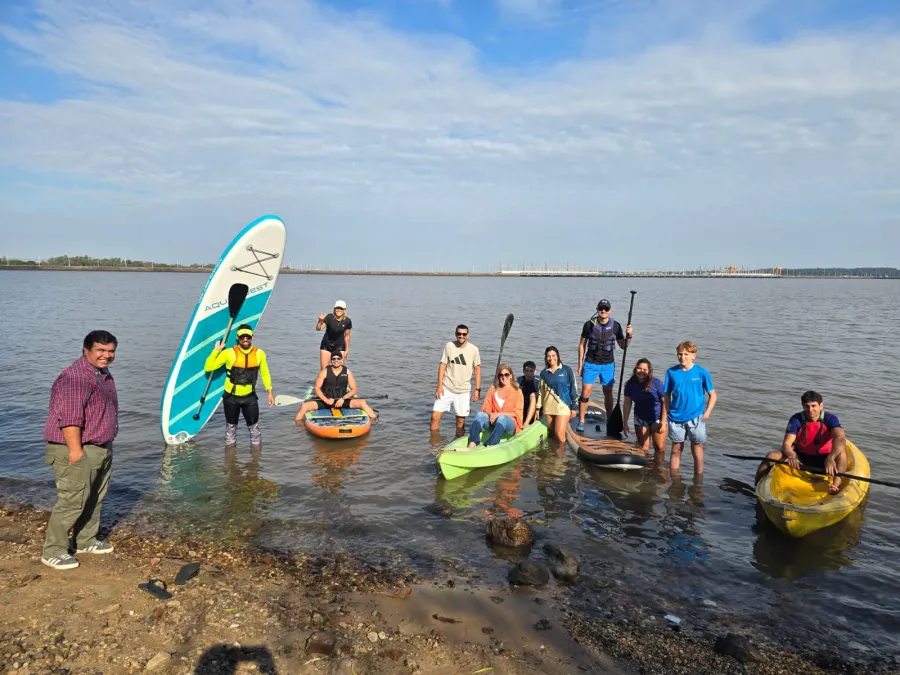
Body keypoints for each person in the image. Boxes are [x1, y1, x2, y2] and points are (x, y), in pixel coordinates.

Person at [41, 330, 119, 570]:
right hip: (74, 448)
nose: (106, 355)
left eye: (111, 351)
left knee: (94, 498)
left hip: (98, 447)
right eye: (101, 350)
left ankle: (85, 540)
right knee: (72, 501)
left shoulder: (100, 373)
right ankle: (53, 551)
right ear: (86, 350)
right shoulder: (75, 377)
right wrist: (76, 451)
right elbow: (70, 419)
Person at [756, 391, 848, 494]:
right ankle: (757, 487)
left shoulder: (830, 418)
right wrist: (791, 455)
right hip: (801, 459)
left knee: (842, 452)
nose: (810, 410)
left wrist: (830, 458)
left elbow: (840, 438)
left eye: (814, 406)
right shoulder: (796, 419)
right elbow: (787, 443)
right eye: (806, 406)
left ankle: (835, 485)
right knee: (771, 455)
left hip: (825, 459)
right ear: (803, 406)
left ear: (821, 405)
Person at [204, 324, 275, 447]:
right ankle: (230, 461)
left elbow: (265, 373)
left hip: (250, 397)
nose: (245, 339)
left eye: (248, 336)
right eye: (242, 337)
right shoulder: (228, 353)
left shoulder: (260, 354)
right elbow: (209, 367)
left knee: (255, 430)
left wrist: (270, 392)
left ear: (252, 336)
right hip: (231, 397)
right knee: (230, 429)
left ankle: (255, 461)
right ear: (237, 338)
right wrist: (216, 350)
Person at [576, 298, 633, 432]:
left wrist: (629, 336)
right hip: (591, 363)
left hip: (608, 364)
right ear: (597, 310)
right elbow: (581, 345)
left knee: (607, 391)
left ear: (610, 311)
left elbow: (623, 346)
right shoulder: (589, 325)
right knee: (586, 392)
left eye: (606, 309)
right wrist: (580, 364)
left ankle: (609, 418)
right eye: (601, 308)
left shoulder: (616, 326)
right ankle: (581, 421)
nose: (603, 311)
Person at [664, 341, 716, 475]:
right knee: (676, 449)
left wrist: (707, 413)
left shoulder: (702, 372)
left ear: (694, 355)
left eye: (686, 354)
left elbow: (713, 395)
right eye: (680, 354)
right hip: (676, 417)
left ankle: (698, 479)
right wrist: (668, 411)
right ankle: (674, 478)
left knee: (697, 448)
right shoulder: (671, 372)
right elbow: (666, 394)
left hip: (696, 417)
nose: (682, 357)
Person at [294, 352, 378, 422]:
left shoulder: (348, 372)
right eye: (333, 359)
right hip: (326, 401)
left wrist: (343, 398)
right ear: (331, 360)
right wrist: (326, 400)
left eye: (338, 358)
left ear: (342, 360)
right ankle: (297, 428)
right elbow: (316, 389)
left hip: (341, 400)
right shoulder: (324, 372)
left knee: (362, 402)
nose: (336, 360)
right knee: (304, 406)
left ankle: (374, 422)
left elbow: (354, 389)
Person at [431, 324, 482, 433]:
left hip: (463, 390)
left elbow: (477, 369)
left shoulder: (474, 349)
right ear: (455, 334)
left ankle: (458, 443)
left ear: (467, 335)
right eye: (459, 334)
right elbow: (442, 365)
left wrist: (477, 389)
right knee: (435, 416)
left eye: (464, 334)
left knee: (460, 421)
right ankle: (434, 446)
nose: (461, 336)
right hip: (446, 387)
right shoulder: (449, 346)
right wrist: (439, 386)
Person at [467, 363, 524, 448]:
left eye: (506, 374)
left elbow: (517, 412)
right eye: (501, 375)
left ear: (511, 376)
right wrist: (491, 414)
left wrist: (499, 414)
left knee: (502, 418)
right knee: (480, 414)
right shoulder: (493, 389)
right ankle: (473, 442)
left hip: (509, 424)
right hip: (493, 420)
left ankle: (490, 444)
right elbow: (485, 407)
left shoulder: (517, 392)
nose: (504, 377)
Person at [623, 358, 667, 456]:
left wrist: (663, 422)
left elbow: (666, 402)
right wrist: (625, 422)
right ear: (635, 369)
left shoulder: (657, 383)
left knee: (659, 448)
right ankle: (645, 469)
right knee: (643, 448)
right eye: (639, 368)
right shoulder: (630, 384)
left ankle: (658, 469)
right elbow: (627, 404)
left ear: (649, 371)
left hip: (657, 418)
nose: (641, 371)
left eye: (644, 369)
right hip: (640, 418)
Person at [538, 346, 578, 442]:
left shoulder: (567, 370)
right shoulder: (544, 373)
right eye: (548, 356)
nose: (551, 358)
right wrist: (538, 408)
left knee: (559, 435)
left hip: (563, 407)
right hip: (548, 408)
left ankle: (561, 457)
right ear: (546, 358)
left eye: (553, 355)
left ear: (558, 356)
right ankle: (553, 456)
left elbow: (573, 388)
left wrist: (574, 407)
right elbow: (541, 392)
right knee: (552, 435)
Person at [316, 300, 352, 369]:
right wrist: (320, 321)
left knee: (340, 369)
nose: (339, 310)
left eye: (341, 308)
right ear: (334, 309)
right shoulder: (329, 317)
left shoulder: (347, 321)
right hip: (326, 345)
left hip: (339, 346)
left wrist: (347, 350)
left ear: (344, 310)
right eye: (337, 308)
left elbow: (347, 336)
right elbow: (319, 328)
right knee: (324, 369)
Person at [517, 361, 540, 426]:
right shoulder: (520, 380)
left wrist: (536, 394)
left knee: (532, 395)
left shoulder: (538, 381)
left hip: (536, 406)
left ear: (534, 372)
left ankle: (526, 424)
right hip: (524, 405)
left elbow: (544, 394)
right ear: (523, 371)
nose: (529, 373)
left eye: (531, 371)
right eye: (527, 371)